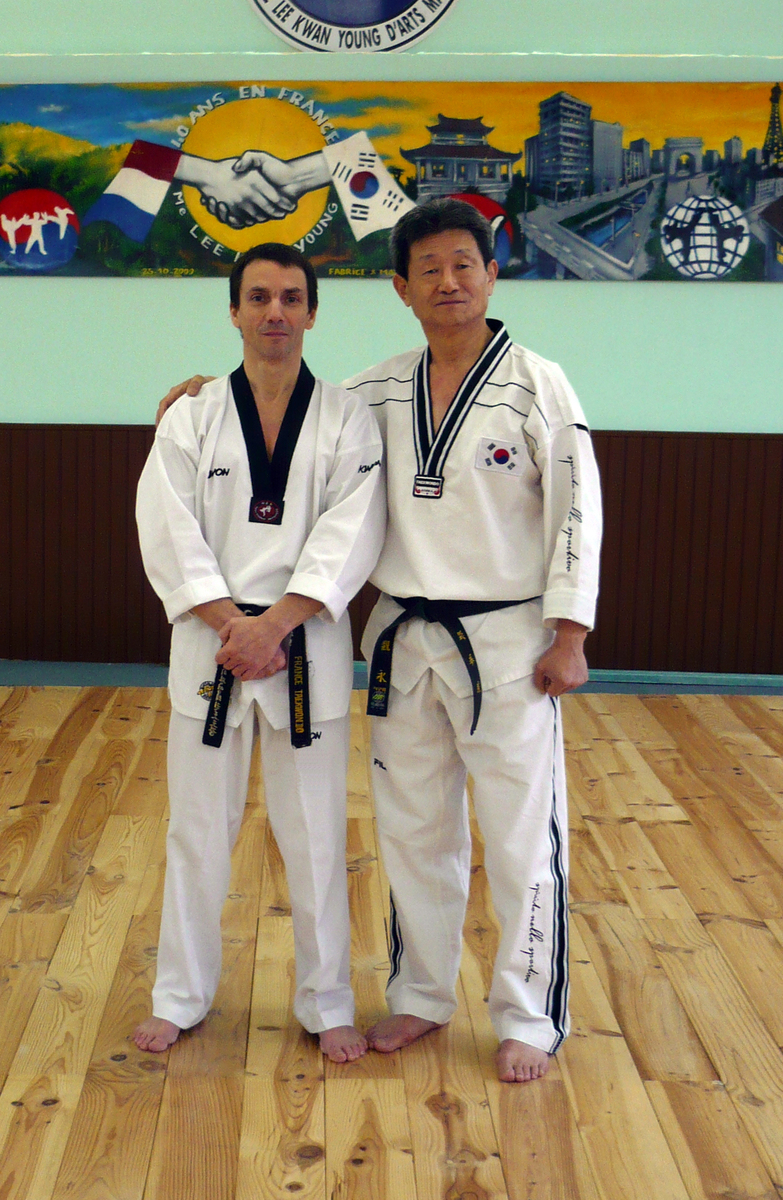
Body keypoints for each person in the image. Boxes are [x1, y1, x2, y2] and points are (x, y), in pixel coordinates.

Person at [155, 199, 602, 1084]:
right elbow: (282, 395)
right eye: (428, 269)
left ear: (492, 275)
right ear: (401, 288)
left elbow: (577, 510)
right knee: (412, 831)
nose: (448, 282)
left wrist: (572, 631)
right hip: (403, 634)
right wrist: (200, 390)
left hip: (509, 634)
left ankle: (528, 1015)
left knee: (520, 833)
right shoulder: (377, 392)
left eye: (464, 265)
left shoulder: (538, 384)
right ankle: (423, 995)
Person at [134, 242, 386, 1063]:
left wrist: (272, 624)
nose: (275, 312)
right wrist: (230, 623)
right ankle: (179, 995)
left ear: (312, 312)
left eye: (290, 298)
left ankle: (328, 1001)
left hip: (301, 644)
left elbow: (353, 531)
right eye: (259, 297)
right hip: (212, 645)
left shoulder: (347, 417)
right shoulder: (191, 415)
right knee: (196, 830)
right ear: (234, 311)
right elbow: (166, 528)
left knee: (315, 835)